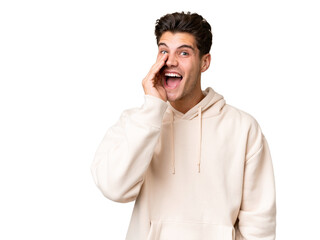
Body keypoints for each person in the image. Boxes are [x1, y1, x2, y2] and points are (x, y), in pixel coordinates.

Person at [91, 11, 276, 240]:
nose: (170, 61)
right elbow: (113, 187)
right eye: (164, 51)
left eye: (184, 52)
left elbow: (260, 224)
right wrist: (152, 110)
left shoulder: (243, 128)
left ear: (204, 62)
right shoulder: (136, 122)